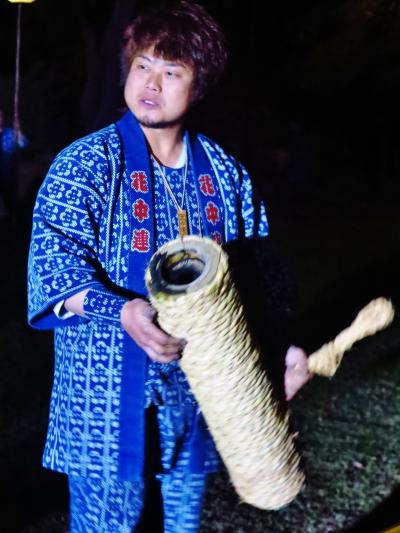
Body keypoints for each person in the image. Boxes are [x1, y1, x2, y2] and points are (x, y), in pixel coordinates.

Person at [27, 2, 311, 531]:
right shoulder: (84, 164)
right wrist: (121, 311)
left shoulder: (226, 175)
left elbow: (258, 276)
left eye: (172, 71)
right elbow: (53, 264)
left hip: (200, 394)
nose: (151, 84)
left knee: (182, 525)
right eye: (142, 66)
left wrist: (283, 344)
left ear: (199, 86)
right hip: (105, 398)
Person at [0, 109, 27, 218]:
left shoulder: (10, 133)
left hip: (9, 176)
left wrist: (18, 131)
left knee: (10, 206)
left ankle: (11, 226)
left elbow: (23, 144)